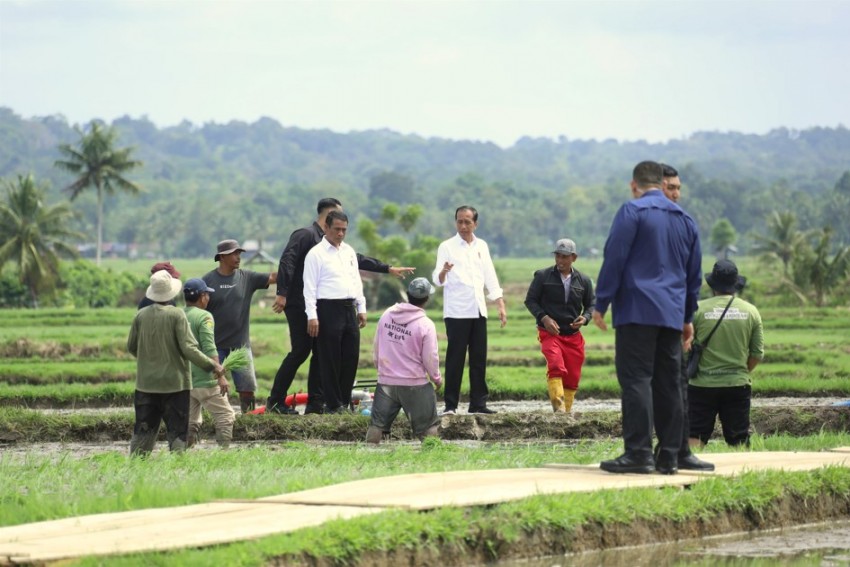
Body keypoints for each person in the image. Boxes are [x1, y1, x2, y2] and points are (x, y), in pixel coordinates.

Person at [592, 161, 702, 475]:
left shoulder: (632, 212)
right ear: (661, 183)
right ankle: (669, 456)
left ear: (634, 185)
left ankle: (639, 453)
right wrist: (687, 316)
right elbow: (693, 276)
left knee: (637, 380)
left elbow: (615, 257)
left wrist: (601, 303)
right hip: (671, 313)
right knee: (669, 384)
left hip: (636, 311)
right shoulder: (686, 220)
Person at [267, 198, 414, 415]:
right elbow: (287, 261)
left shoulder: (342, 247)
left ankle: (317, 403)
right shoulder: (306, 236)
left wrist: (387, 268)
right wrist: (282, 293)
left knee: (323, 355)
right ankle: (276, 400)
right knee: (301, 351)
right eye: (337, 223)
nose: (341, 231)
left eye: (344, 227)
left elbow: (358, 262)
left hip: (333, 306)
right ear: (327, 218)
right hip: (302, 303)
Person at [127, 270, 223, 456]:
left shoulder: (140, 316)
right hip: (175, 386)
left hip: (146, 385)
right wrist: (213, 366)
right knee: (177, 433)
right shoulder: (177, 315)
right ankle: (178, 469)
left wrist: (150, 360)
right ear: (171, 292)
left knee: (143, 431)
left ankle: (136, 467)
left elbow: (132, 347)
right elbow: (189, 349)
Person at [659, 163, 715, 471]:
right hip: (650, 318)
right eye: (671, 187)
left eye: (678, 188)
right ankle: (655, 450)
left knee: (674, 385)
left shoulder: (684, 223)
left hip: (670, 315)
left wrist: (686, 316)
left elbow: (691, 277)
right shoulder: (642, 220)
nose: (676, 193)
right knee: (646, 385)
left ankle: (675, 450)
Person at [432, 205, 507, 415]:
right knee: (455, 359)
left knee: (478, 358)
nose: (463, 226)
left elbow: (489, 275)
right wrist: (444, 272)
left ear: (476, 223)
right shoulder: (446, 246)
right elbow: (436, 279)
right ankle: (450, 405)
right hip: (457, 311)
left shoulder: (481, 245)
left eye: (467, 221)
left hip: (478, 310)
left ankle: (478, 404)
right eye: (459, 221)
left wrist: (499, 303)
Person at [689, 260, 764, 448]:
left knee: (694, 434)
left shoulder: (697, 310)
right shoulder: (751, 311)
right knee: (739, 438)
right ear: (736, 284)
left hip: (701, 385)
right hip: (737, 384)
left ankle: (690, 473)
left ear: (712, 284)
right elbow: (757, 353)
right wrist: (741, 371)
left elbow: (685, 347)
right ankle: (740, 474)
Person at [303, 210, 367, 414]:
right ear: (326, 228)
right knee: (330, 359)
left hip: (349, 307)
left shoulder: (348, 251)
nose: (340, 233)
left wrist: (361, 306)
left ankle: (344, 400)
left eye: (344, 230)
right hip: (327, 308)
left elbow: (356, 280)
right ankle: (332, 404)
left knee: (351, 356)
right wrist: (312, 315)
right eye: (337, 229)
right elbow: (309, 287)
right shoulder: (316, 254)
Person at [202, 239, 276, 413]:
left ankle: (248, 419)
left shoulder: (247, 277)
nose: (238, 257)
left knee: (247, 388)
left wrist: (293, 269)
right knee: (212, 388)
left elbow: (273, 277)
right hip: (214, 346)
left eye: (239, 253)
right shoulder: (207, 281)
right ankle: (215, 421)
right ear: (222, 257)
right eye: (234, 253)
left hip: (240, 346)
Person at [366, 277, 442, 444]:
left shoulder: (387, 315)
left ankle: (368, 455)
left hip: (386, 382)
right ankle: (433, 456)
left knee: (376, 426)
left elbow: (377, 346)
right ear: (427, 299)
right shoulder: (425, 324)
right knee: (429, 426)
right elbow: (430, 357)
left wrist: (381, 371)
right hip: (415, 384)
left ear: (408, 294)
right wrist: (436, 378)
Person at [524, 238, 595, 413]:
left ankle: (566, 414)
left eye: (564, 257)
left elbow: (592, 304)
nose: (560, 261)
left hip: (572, 335)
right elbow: (530, 301)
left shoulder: (584, 281)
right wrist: (544, 318)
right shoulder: (542, 276)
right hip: (550, 333)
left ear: (574, 258)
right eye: (557, 256)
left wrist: (585, 318)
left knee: (573, 376)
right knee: (555, 366)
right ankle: (559, 410)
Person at [183, 278, 235, 448]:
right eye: (207, 295)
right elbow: (209, 347)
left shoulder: (179, 315)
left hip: (185, 380)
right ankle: (224, 453)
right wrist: (219, 375)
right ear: (202, 296)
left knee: (191, 421)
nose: (208, 299)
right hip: (205, 378)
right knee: (226, 416)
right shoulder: (205, 316)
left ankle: (183, 454)